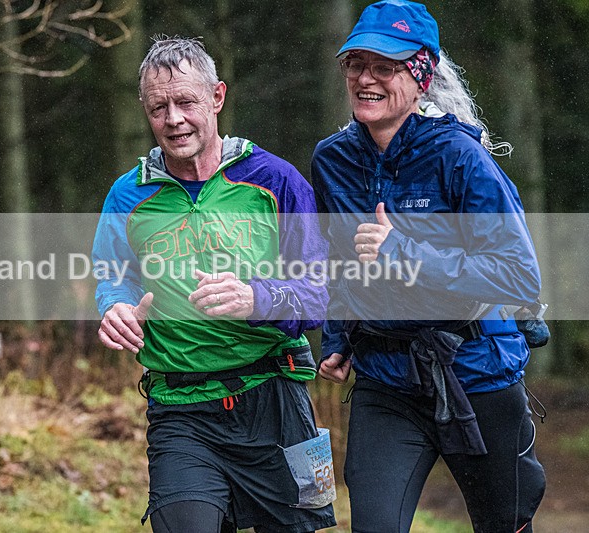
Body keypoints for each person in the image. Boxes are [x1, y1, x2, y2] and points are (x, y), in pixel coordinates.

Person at [311, 1, 546, 532]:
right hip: (386, 377)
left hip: (476, 370)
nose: (365, 79)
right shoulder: (332, 159)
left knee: (504, 524)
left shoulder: (461, 158)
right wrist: (339, 337)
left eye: (384, 67)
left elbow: (518, 275)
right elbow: (341, 260)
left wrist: (402, 253)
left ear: (421, 77)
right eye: (356, 64)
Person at [92, 36, 335, 532]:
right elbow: (113, 275)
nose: (174, 119)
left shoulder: (275, 180)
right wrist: (115, 306)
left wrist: (257, 297)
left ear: (217, 98)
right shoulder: (128, 194)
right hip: (181, 409)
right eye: (159, 107)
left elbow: (321, 290)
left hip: (276, 398)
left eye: (186, 102)